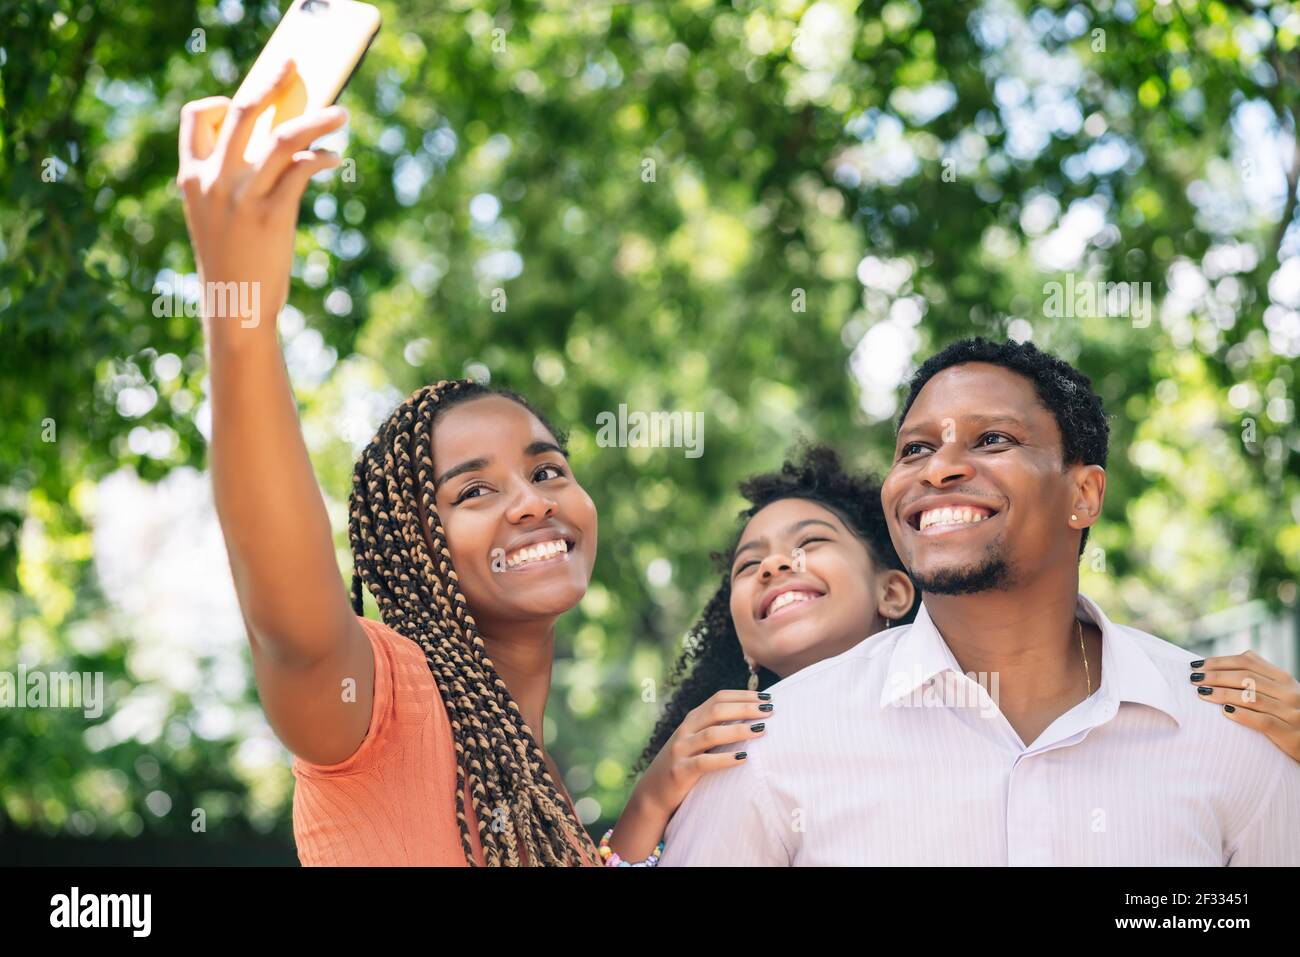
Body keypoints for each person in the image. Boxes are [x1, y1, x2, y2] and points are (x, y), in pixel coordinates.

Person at [177, 62, 600, 865]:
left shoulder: (539, 787)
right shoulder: (380, 702)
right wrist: (241, 319)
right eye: (474, 489)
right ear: (413, 541)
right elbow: (292, 630)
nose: (533, 501)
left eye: (547, 470)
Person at [656, 338, 1300, 865]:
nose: (938, 469)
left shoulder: (1231, 734)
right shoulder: (769, 748)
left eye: (992, 439)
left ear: (1084, 494)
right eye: (915, 449)